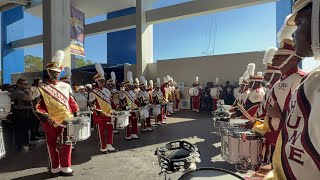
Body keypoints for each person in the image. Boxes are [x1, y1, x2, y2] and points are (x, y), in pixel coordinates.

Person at [267, 2, 319, 179]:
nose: (295, 33)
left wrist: (279, 117)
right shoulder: (313, 80)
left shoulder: (308, 81)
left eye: (300, 23)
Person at [35, 50, 79, 176]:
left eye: (57, 73)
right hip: (50, 121)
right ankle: (55, 167)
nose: (55, 75)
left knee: (67, 142)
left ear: (60, 73)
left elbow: (72, 102)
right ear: (48, 72)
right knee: (52, 144)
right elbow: (36, 107)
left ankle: (65, 166)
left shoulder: (66, 86)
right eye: (52, 72)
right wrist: (47, 118)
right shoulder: (40, 87)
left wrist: (76, 114)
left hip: (67, 119)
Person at [89, 63, 117, 153]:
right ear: (97, 81)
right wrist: (100, 112)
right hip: (100, 115)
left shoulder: (107, 90)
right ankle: (103, 147)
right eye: (100, 81)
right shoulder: (93, 92)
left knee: (110, 130)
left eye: (103, 81)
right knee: (101, 132)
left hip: (109, 113)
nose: (102, 82)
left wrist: (116, 108)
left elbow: (110, 101)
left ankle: (109, 145)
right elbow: (92, 106)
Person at [11, 78, 33, 151]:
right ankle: (21, 146)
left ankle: (24, 144)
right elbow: (29, 98)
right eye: (25, 84)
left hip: (24, 112)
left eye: (27, 84)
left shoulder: (22, 91)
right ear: (19, 85)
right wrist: (29, 92)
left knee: (25, 129)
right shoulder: (17, 92)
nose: (27, 85)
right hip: (19, 113)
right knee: (21, 130)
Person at [119, 71, 139, 140]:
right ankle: (127, 135)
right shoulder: (122, 93)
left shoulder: (133, 92)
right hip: (127, 109)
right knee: (127, 122)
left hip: (133, 109)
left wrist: (136, 106)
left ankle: (134, 133)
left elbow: (135, 101)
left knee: (134, 121)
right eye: (130, 85)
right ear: (126, 85)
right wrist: (125, 107)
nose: (131, 86)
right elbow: (122, 102)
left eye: (131, 85)